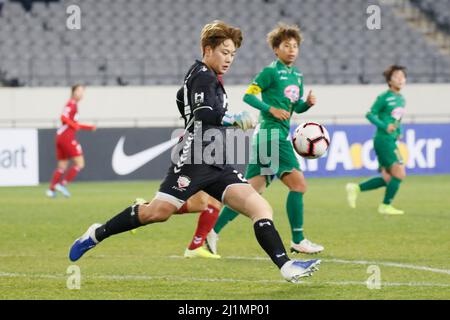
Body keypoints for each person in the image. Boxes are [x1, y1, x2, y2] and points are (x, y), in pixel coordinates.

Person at [69, 20, 321, 283]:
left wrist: (203, 117)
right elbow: (203, 115)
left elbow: (182, 99)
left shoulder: (207, 77)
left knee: (260, 207)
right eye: (224, 52)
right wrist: (231, 119)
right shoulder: (202, 75)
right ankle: (96, 234)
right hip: (194, 160)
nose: (229, 59)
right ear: (207, 49)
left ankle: (287, 266)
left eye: (233, 54)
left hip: (218, 163)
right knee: (156, 213)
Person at [206, 23, 324, 256]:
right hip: (271, 134)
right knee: (299, 185)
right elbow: (249, 96)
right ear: (276, 49)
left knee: (250, 193)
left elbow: (292, 108)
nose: (292, 50)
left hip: (271, 135)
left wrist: (306, 104)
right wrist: (270, 109)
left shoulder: (297, 76)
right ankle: (298, 239)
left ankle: (212, 231)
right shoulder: (271, 71)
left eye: (295, 46)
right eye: (286, 46)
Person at [346, 65, 407, 215]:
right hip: (383, 139)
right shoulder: (384, 97)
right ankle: (385, 205)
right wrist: (385, 126)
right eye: (396, 76)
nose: (400, 79)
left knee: (387, 178)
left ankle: (355, 188)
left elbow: (397, 120)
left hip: (391, 140)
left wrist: (399, 131)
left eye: (402, 76)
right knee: (399, 173)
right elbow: (370, 114)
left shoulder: (401, 99)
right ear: (389, 81)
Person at [46, 84, 96, 198]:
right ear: (73, 92)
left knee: (62, 166)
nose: (81, 93)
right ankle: (62, 184)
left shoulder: (73, 105)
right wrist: (73, 124)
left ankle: (51, 190)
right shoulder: (71, 104)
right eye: (79, 91)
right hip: (66, 138)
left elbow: (74, 124)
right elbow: (63, 117)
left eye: (83, 91)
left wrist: (88, 127)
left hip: (60, 137)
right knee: (80, 163)